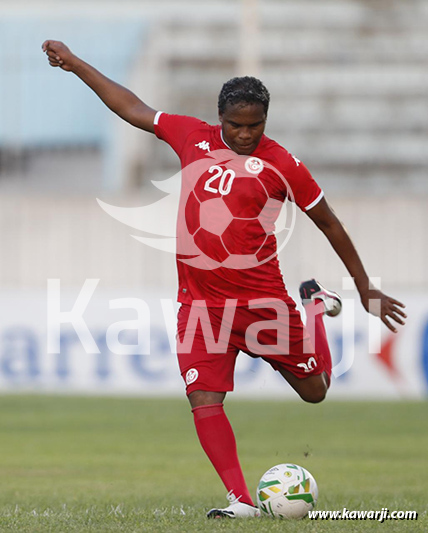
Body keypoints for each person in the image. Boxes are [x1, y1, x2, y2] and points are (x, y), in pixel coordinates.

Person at [42, 40, 406, 519]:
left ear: (265, 121)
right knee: (203, 396)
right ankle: (240, 501)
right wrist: (74, 65)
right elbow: (131, 106)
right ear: (220, 118)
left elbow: (330, 223)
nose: (244, 134)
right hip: (201, 307)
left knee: (315, 391)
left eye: (254, 126)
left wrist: (364, 288)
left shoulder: (284, 164)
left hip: (264, 303)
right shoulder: (191, 136)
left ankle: (315, 305)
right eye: (236, 125)